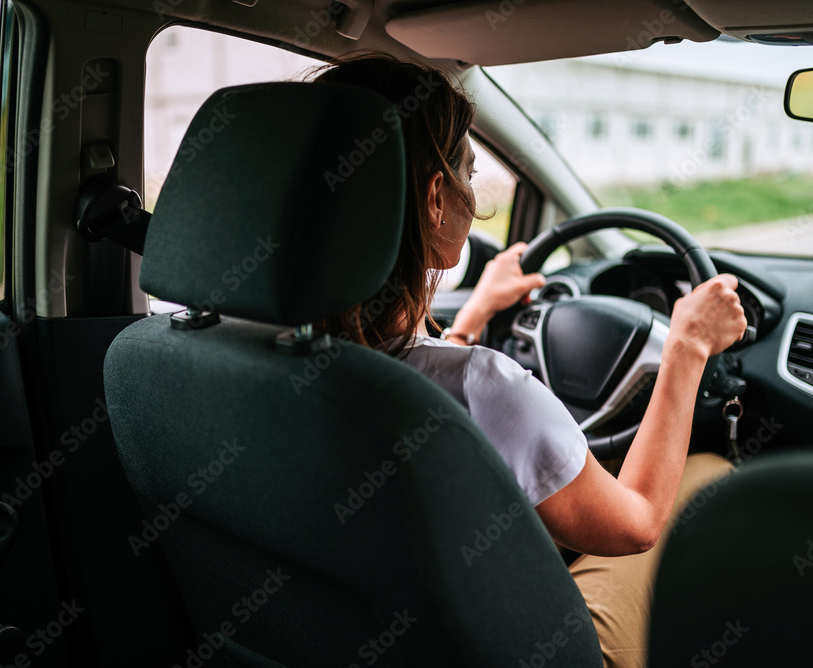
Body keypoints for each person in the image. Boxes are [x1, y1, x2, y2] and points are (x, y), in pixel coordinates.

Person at [311, 54, 747, 667]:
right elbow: (637, 522)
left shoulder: (223, 352)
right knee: (703, 473)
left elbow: (411, 373)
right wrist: (687, 346)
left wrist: (469, 318)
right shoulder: (481, 387)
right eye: (466, 170)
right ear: (437, 198)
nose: (473, 190)